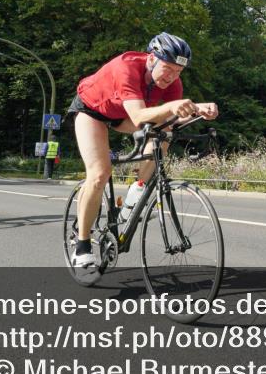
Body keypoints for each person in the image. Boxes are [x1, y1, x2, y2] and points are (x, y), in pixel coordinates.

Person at [68, 33, 218, 279]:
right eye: (167, 68)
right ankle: (82, 245)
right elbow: (139, 117)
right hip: (92, 111)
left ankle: (137, 191)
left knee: (165, 132)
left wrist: (198, 111)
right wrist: (172, 107)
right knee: (99, 174)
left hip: (121, 114)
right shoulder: (126, 68)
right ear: (151, 59)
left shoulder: (173, 83)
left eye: (178, 71)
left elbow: (171, 118)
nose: (171, 77)